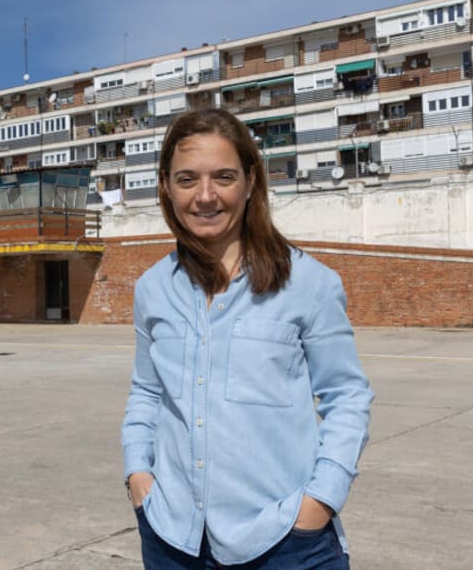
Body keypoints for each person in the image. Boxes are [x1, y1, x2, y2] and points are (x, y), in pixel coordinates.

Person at [121, 108, 374, 569]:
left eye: (223, 177)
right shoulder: (152, 289)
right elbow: (146, 391)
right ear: (164, 185)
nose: (205, 196)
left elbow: (347, 395)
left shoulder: (309, 284)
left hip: (284, 541)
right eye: (186, 179)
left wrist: (320, 501)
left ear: (251, 181)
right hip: (171, 539)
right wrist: (138, 475)